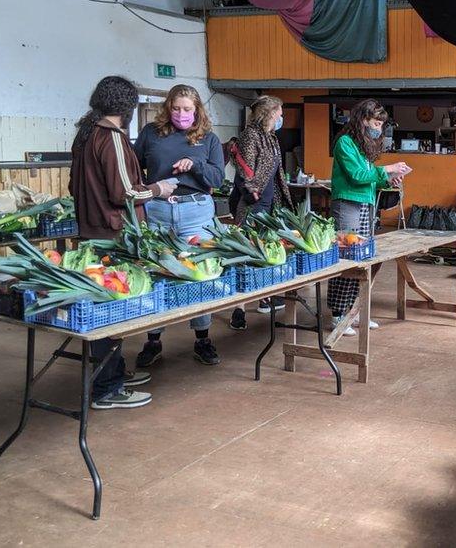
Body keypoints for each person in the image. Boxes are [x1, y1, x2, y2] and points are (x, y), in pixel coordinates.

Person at [69, 75, 177, 409]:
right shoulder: (112, 137)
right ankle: (108, 389)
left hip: (91, 231)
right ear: (126, 107)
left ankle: (112, 373)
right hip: (113, 235)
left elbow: (76, 188)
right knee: (110, 313)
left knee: (106, 309)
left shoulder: (85, 135)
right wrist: (158, 189)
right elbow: (123, 193)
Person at [133, 84, 225, 367]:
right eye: (176, 108)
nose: (181, 114)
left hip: (195, 211)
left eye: (187, 109)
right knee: (156, 271)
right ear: (167, 107)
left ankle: (202, 338)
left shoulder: (208, 139)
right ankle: (153, 339)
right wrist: (144, 192)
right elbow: (135, 166)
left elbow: (218, 179)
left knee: (200, 272)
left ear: (197, 110)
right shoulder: (151, 133)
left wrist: (195, 165)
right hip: (158, 210)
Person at [327, 99, 408, 335]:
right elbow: (356, 175)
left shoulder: (363, 146)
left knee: (362, 259)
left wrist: (388, 179)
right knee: (346, 260)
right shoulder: (345, 143)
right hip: (348, 204)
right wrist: (388, 169)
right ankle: (338, 315)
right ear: (362, 120)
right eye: (375, 123)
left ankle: (354, 313)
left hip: (366, 204)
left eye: (382, 124)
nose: (379, 128)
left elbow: (370, 176)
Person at [229, 95, 295, 330]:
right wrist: (250, 192)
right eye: (279, 112)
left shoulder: (271, 138)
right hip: (251, 203)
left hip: (269, 203)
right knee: (245, 253)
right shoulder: (251, 136)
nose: (281, 117)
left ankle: (264, 298)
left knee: (264, 252)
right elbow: (244, 170)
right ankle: (239, 309)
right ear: (269, 113)